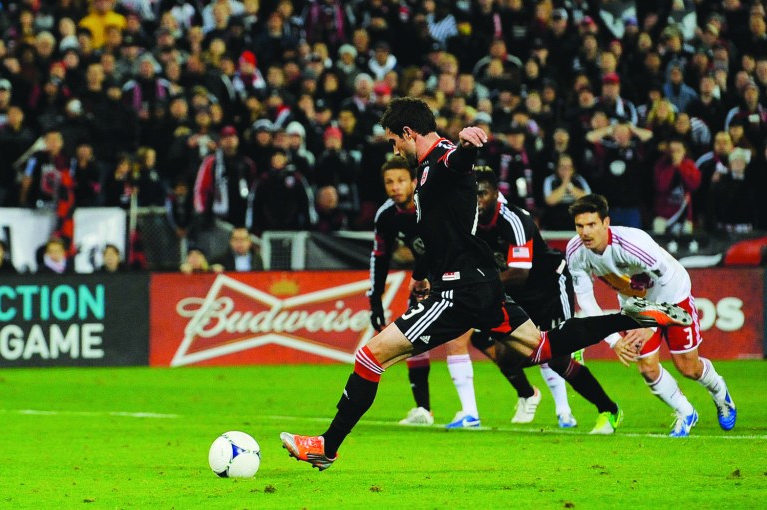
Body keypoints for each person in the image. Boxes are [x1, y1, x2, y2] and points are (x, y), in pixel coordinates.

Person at [280, 97, 692, 470]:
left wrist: (469, 147)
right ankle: (628, 316)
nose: (394, 151)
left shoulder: (440, 159)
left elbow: (456, 164)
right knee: (544, 347)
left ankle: (327, 446)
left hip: (457, 291)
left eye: (393, 141)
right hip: (480, 285)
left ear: (408, 133)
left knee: (370, 358)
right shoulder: (427, 167)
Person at [566, 194, 736, 437]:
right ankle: (686, 412)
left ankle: (721, 394)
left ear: (606, 223)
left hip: (672, 296)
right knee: (647, 368)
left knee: (688, 367)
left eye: (591, 224)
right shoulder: (576, 252)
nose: (585, 232)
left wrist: (651, 324)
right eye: (579, 226)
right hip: (636, 304)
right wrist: (614, 341)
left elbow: (666, 278)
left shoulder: (632, 245)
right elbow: (585, 298)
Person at [474, 168, 622, 433]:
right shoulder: (468, 222)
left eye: (482, 193)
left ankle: (607, 410)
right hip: (517, 294)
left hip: (549, 286)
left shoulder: (514, 219)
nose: (476, 200)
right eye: (471, 194)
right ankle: (532, 392)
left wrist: (477, 285)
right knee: (502, 355)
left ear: (496, 194)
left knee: (557, 357)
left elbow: (519, 273)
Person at [368, 156, 482, 428]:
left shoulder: (430, 204)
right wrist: (375, 302)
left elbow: (446, 244)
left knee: (494, 344)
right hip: (426, 279)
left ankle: (528, 393)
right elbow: (380, 257)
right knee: (412, 339)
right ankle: (423, 408)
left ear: (414, 181)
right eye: (389, 182)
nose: (395, 187)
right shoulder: (386, 216)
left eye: (401, 180)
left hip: (460, 274)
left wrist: (425, 275)